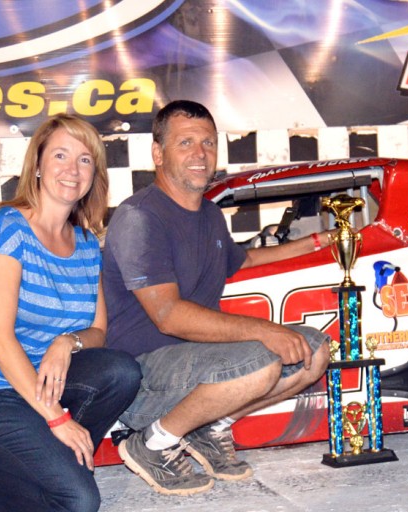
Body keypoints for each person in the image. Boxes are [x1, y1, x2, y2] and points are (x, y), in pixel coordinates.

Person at [0, 114, 142, 512]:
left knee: (121, 371)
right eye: (61, 155)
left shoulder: (87, 243)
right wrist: (56, 420)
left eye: (85, 160)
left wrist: (65, 342)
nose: (72, 169)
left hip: (36, 383)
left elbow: (99, 331)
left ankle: (55, 465)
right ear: (37, 164)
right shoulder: (7, 228)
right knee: (78, 500)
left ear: (94, 174)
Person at [103, 100, 332, 495]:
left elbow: (243, 259)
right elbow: (168, 316)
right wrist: (266, 331)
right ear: (158, 153)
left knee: (315, 352)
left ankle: (209, 426)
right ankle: (152, 443)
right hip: (142, 373)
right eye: (185, 143)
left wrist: (315, 243)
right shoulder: (140, 216)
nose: (200, 154)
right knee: (261, 360)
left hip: (192, 363)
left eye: (208, 143)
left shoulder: (209, 214)